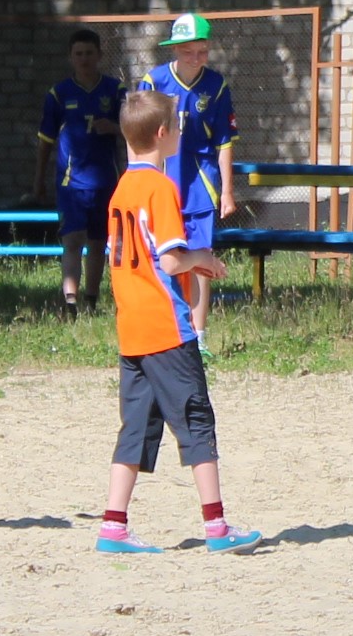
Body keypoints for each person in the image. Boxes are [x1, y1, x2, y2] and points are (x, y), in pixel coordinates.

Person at [94, 89, 261, 554]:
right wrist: (202, 256)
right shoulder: (159, 188)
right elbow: (170, 261)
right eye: (179, 126)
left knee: (135, 429)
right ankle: (217, 527)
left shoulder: (121, 190)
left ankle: (113, 526)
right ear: (164, 134)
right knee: (197, 422)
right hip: (166, 329)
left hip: (132, 330)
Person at [33, 28, 124, 319]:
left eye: (89, 53)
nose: (84, 59)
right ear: (70, 57)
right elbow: (45, 141)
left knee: (98, 242)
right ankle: (70, 302)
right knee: (72, 240)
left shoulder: (115, 90)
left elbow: (135, 130)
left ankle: (91, 300)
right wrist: (38, 180)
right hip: (71, 183)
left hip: (105, 181)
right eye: (78, 54)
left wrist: (114, 128)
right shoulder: (59, 94)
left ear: (99, 55)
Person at [141, 11, 241, 231]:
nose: (195, 58)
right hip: (161, 181)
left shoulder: (216, 85)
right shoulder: (154, 82)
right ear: (174, 48)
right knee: (167, 252)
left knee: (201, 251)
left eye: (202, 51)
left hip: (200, 182)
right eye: (188, 52)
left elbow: (224, 141)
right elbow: (138, 141)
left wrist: (227, 192)